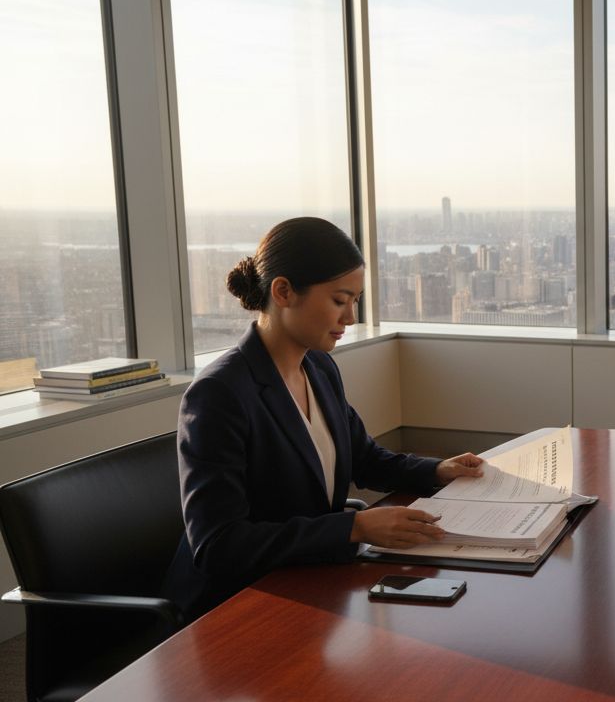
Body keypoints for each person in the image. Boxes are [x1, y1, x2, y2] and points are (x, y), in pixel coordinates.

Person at [163, 217, 484, 621]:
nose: (350, 317)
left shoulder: (318, 368)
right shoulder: (220, 393)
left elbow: (364, 458)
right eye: (339, 300)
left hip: (303, 585)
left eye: (356, 301)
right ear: (283, 292)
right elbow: (219, 545)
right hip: (231, 609)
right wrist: (355, 528)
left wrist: (438, 470)